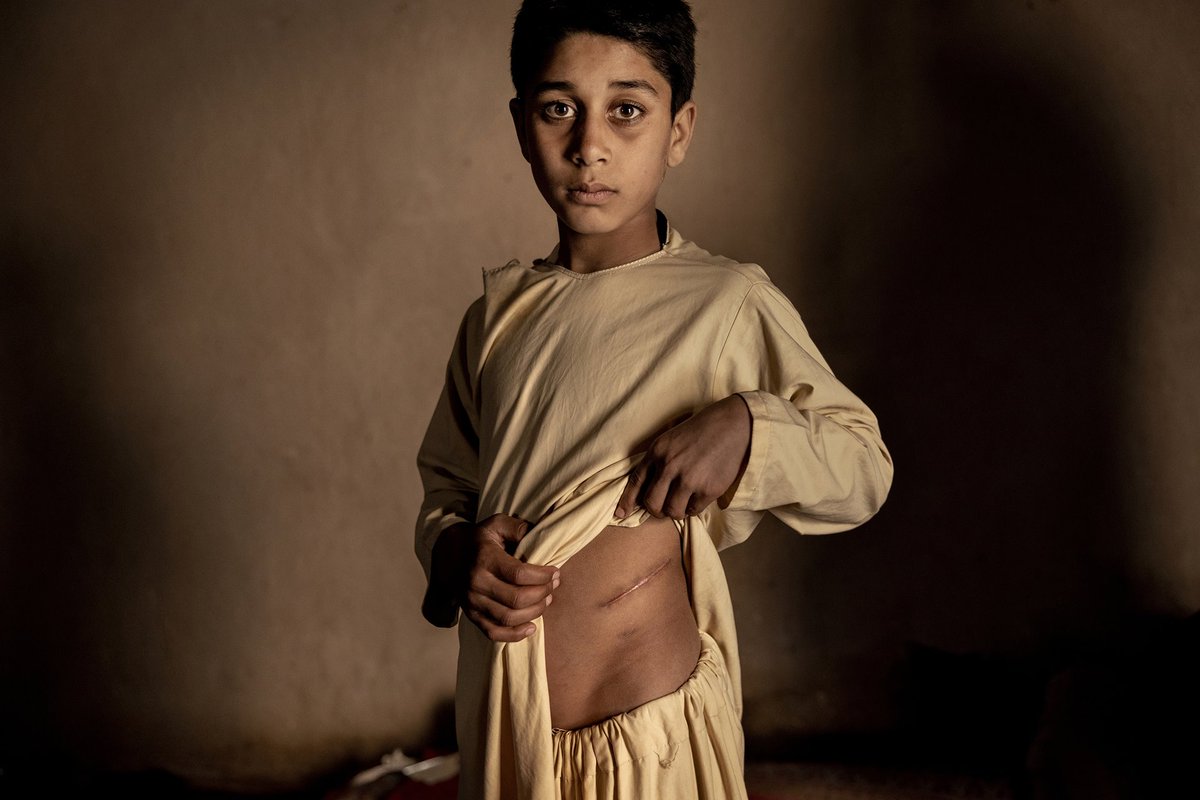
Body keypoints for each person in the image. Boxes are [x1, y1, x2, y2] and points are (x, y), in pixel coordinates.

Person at [414, 1, 893, 797]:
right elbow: (447, 489)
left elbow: (863, 467)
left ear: (679, 129)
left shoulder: (723, 301)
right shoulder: (496, 320)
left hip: (653, 744)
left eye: (627, 111)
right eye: (558, 109)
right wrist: (457, 553)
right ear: (519, 124)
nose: (590, 146)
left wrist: (749, 429)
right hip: (515, 735)